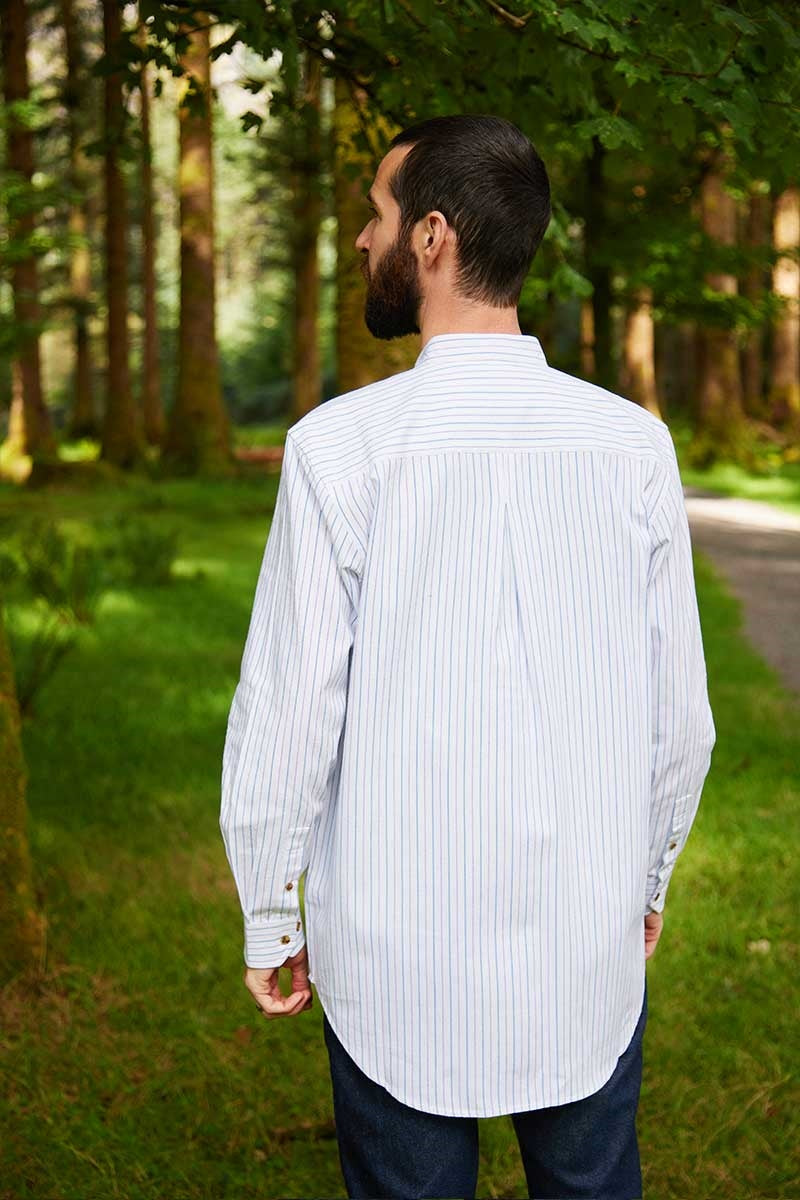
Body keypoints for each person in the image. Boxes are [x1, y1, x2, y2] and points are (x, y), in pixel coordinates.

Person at [219, 113, 716, 1200]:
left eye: (376, 213)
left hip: (395, 957)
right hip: (581, 949)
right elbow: (678, 716)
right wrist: (646, 876)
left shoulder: (338, 449)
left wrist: (269, 910)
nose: (363, 238)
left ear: (432, 236)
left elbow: (291, 707)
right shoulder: (631, 446)